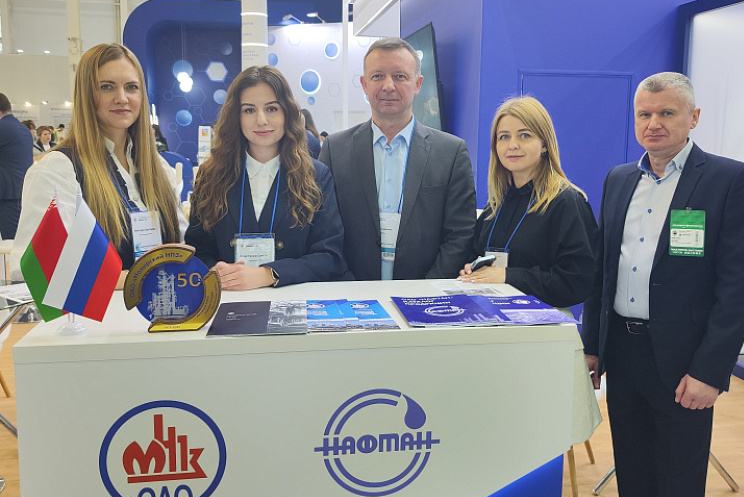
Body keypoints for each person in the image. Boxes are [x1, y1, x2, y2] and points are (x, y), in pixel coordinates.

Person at [581, 72, 744, 497]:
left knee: (679, 489)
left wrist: (710, 371)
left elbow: (737, 287)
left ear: (693, 117)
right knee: (634, 478)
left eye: (666, 113)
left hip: (685, 364)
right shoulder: (619, 179)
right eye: (644, 114)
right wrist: (592, 346)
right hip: (624, 355)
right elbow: (603, 271)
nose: (653, 123)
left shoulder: (727, 179)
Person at [11, 44, 186, 281]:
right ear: (86, 94)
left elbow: (182, 245)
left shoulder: (158, 167)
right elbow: (35, 271)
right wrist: (127, 280)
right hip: (102, 306)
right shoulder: (58, 169)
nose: (122, 98)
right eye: (107, 87)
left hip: (164, 302)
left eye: (131, 87)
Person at [319, 37, 476, 280]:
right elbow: (324, 229)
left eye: (400, 76)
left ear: (418, 84)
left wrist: (425, 291)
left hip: (425, 292)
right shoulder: (334, 149)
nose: (388, 86)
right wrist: (349, 286)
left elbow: (460, 233)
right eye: (377, 76)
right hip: (352, 290)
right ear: (364, 84)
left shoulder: (451, 152)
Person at [185, 65, 348, 290]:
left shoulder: (316, 176)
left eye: (272, 109)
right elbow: (198, 249)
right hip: (230, 299)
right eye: (249, 110)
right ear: (236, 117)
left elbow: (330, 256)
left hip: (292, 301)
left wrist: (268, 274)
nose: (261, 120)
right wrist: (213, 270)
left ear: (287, 113)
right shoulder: (210, 176)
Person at [458, 97, 596, 308]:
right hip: (491, 315)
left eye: (525, 135)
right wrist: (471, 270)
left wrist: (507, 276)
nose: (512, 145)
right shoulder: (495, 205)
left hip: (540, 323)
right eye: (504, 137)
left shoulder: (566, 202)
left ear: (544, 144)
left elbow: (577, 282)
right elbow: (474, 255)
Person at [0, 93, 34, 239]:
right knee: (18, 240)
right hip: (20, 191)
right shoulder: (22, 128)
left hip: (7, 195)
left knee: (11, 241)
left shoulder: (3, 127)